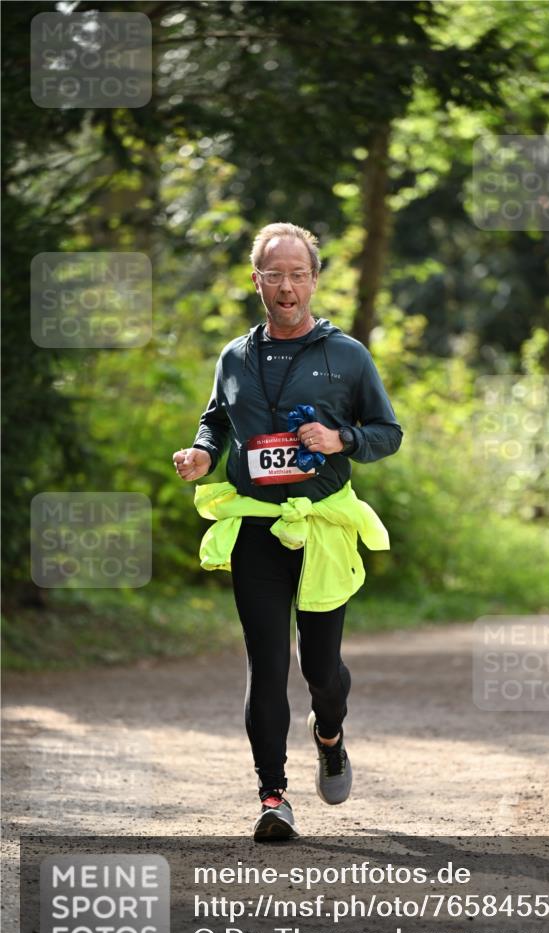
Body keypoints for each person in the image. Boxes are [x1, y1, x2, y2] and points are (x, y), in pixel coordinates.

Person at [172, 222, 402, 838]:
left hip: (323, 526)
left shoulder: (347, 355)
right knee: (267, 665)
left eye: (297, 274)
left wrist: (342, 439)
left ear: (315, 280)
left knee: (320, 668)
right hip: (256, 528)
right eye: (273, 274)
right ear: (256, 281)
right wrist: (200, 453)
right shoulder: (235, 356)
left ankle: (329, 735)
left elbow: (388, 433)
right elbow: (216, 420)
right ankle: (273, 796)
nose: (286, 286)